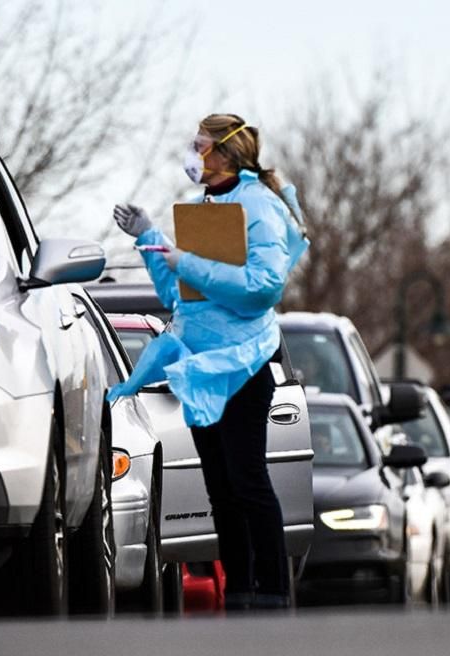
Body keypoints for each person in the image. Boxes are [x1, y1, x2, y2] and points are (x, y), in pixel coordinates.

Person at [108, 114, 309, 610]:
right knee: (220, 488)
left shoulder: (259, 205)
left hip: (243, 366)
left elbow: (263, 289)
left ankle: (272, 591)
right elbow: (178, 294)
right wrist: (150, 239)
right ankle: (239, 592)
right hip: (201, 365)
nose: (192, 152)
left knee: (248, 479)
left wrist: (189, 262)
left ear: (223, 152)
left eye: (199, 145)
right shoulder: (203, 209)